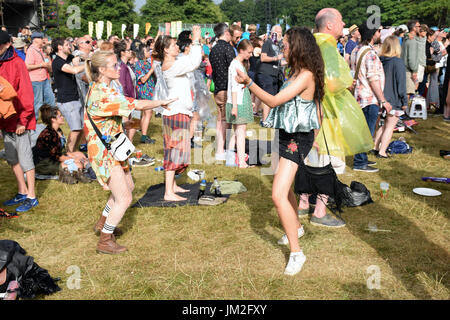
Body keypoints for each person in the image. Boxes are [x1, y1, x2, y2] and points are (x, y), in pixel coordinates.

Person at [235, 27, 324, 276]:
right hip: (286, 134)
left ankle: (297, 253)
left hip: (296, 138)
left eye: (285, 43)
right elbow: (316, 106)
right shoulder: (295, 71)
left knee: (277, 194)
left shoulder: (305, 74)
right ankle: (295, 226)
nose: (281, 47)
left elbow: (274, 102)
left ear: (297, 46)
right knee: (284, 189)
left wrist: (249, 82)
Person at [83, 50, 175, 254]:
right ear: (102, 69)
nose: (119, 68)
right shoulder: (102, 93)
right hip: (104, 152)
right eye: (114, 65)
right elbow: (136, 104)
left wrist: (125, 122)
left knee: (128, 186)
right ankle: (105, 240)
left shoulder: (102, 87)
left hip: (112, 146)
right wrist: (161, 102)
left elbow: (114, 111)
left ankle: (102, 223)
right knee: (124, 198)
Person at [312, 8, 374, 227]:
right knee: (330, 164)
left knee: (312, 163)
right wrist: (347, 83)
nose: (344, 23)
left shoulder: (310, 45)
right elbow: (329, 82)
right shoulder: (327, 47)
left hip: (314, 116)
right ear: (329, 25)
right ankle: (319, 212)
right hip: (328, 116)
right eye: (340, 20)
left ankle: (303, 204)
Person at [153, 26, 202, 201]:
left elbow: (188, 59)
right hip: (176, 114)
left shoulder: (171, 63)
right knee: (174, 151)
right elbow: (194, 62)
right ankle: (168, 192)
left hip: (177, 112)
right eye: (174, 44)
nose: (177, 47)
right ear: (166, 49)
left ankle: (172, 186)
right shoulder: (170, 65)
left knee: (176, 150)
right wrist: (196, 40)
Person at [0, 31, 38, 213]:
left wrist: (23, 120)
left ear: (7, 45)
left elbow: (25, 94)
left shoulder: (17, 63)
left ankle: (32, 196)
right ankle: (22, 190)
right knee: (12, 158)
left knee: (25, 160)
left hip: (20, 121)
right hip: (4, 120)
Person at [351, 23, 390, 173]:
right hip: (368, 97)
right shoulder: (370, 53)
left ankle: (362, 159)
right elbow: (373, 79)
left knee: (362, 130)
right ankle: (360, 162)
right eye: (379, 31)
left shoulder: (356, 49)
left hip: (359, 97)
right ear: (373, 33)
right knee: (366, 132)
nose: (380, 33)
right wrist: (383, 100)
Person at [33, 105, 90, 183]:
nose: (62, 117)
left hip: (56, 158)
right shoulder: (48, 135)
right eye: (60, 116)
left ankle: (78, 169)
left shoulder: (58, 130)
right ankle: (73, 172)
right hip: (45, 164)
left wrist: (74, 155)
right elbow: (58, 157)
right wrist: (74, 159)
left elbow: (61, 152)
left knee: (80, 154)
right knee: (78, 164)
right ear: (53, 119)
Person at [374, 36, 408, 158]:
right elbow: (401, 83)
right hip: (394, 99)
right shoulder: (397, 62)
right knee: (390, 126)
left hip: (382, 97)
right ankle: (382, 152)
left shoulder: (380, 60)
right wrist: (405, 101)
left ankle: (375, 147)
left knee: (384, 125)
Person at [51, 38, 86, 153]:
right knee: (75, 129)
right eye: (66, 45)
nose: (69, 46)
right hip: (66, 100)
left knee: (80, 129)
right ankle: (69, 154)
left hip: (75, 98)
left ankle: (73, 151)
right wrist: (88, 64)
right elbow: (74, 70)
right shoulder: (57, 62)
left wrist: (84, 57)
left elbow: (78, 58)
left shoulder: (69, 58)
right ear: (59, 47)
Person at [225, 39, 254, 168]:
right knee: (240, 131)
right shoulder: (235, 64)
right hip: (238, 102)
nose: (250, 55)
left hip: (240, 100)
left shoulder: (238, 64)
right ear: (241, 50)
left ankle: (231, 157)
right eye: (249, 52)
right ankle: (241, 161)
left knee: (238, 131)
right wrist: (235, 107)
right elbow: (234, 87)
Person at [209, 23, 235, 161]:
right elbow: (233, 68)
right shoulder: (228, 48)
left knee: (220, 119)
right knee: (225, 120)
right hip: (227, 88)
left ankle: (221, 148)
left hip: (217, 88)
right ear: (226, 33)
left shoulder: (213, 49)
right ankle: (221, 150)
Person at [256, 25, 284, 123]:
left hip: (275, 74)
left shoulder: (278, 45)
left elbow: (281, 62)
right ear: (273, 33)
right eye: (279, 32)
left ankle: (269, 119)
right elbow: (263, 58)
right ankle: (265, 120)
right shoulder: (268, 42)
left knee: (273, 98)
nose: (280, 34)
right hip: (266, 73)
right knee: (268, 98)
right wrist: (276, 58)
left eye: (281, 32)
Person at [25, 31, 55, 119]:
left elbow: (46, 62)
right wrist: (41, 65)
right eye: (41, 38)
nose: (43, 40)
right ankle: (33, 124)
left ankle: (52, 119)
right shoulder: (31, 50)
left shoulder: (41, 50)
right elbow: (27, 66)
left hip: (44, 79)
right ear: (35, 40)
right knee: (37, 103)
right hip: (36, 81)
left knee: (51, 100)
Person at [133, 43, 156, 148]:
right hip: (144, 91)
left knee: (147, 114)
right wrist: (152, 70)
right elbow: (143, 79)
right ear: (142, 53)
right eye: (147, 51)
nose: (149, 53)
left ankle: (143, 134)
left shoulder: (146, 63)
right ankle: (144, 136)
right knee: (148, 113)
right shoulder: (139, 64)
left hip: (149, 90)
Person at [401, 20, 421, 95]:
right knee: (408, 94)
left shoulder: (406, 39)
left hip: (405, 69)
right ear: (413, 28)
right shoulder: (412, 41)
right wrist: (414, 71)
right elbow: (411, 59)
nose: (420, 28)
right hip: (409, 71)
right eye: (418, 26)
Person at [425, 29, 443, 111]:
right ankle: (429, 103)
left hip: (432, 66)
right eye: (433, 36)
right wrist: (433, 58)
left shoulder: (434, 43)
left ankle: (432, 103)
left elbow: (439, 55)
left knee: (433, 84)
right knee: (428, 84)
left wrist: (434, 59)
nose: (435, 38)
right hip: (427, 66)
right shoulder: (426, 44)